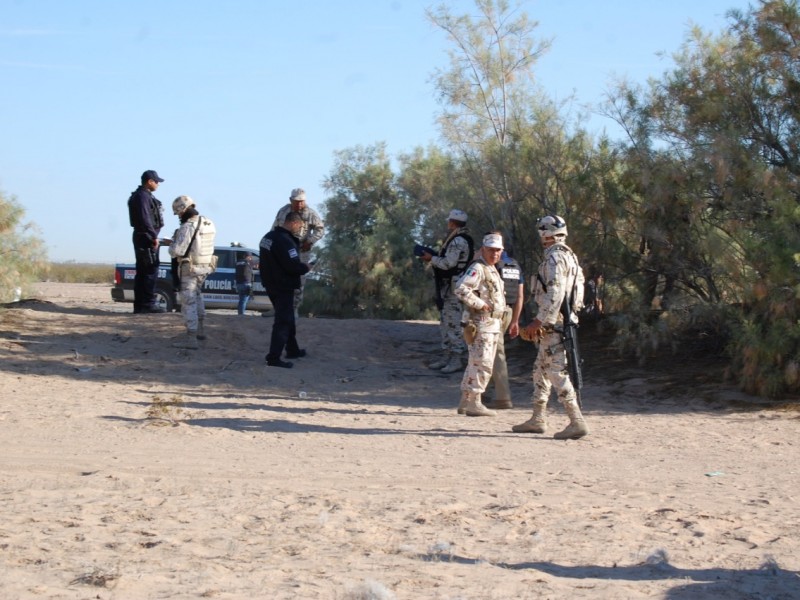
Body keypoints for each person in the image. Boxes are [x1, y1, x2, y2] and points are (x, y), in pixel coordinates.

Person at [513, 215, 589, 439]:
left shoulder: (555, 258)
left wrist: (540, 320)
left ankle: (576, 420)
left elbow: (555, 293)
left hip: (554, 324)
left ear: (545, 233)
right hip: (561, 322)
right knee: (540, 370)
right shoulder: (570, 257)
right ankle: (538, 417)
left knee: (556, 371)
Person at [453, 232, 507, 417]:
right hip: (482, 323)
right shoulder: (478, 268)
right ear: (483, 249)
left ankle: (465, 400)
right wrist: (480, 304)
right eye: (491, 250)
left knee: (476, 362)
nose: (495, 254)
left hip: (492, 323)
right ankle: (475, 402)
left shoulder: (492, 269)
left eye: (498, 250)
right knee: (482, 363)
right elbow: (461, 289)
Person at [420, 209, 474, 374]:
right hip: (449, 287)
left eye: (449, 221)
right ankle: (447, 356)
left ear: (452, 222)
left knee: (453, 323)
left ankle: (456, 359)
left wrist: (432, 259)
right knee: (446, 322)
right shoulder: (459, 238)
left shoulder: (458, 241)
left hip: (455, 288)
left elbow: (449, 263)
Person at [260, 211, 310, 368]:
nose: (300, 230)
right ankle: (273, 357)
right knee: (283, 321)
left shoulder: (268, 237)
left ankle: (292, 349)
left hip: (271, 284)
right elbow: (292, 266)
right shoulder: (285, 241)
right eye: (300, 226)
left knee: (288, 318)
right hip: (283, 285)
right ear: (293, 223)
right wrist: (306, 267)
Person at [167, 196, 217, 350]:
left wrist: (172, 243)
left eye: (178, 213)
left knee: (188, 302)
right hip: (205, 267)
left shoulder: (188, 226)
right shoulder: (208, 222)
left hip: (189, 269)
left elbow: (176, 251)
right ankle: (201, 331)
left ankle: (191, 339)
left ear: (182, 210)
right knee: (198, 296)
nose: (179, 216)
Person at [272, 188, 324, 313]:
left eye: (302, 201)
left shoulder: (311, 214)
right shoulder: (283, 211)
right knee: (279, 277)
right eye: (297, 201)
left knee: (298, 279)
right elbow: (274, 228)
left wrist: (310, 241)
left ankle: (294, 308)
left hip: (301, 250)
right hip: (283, 249)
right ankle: (278, 307)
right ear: (291, 200)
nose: (299, 204)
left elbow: (320, 229)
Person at [484, 244, 524, 409]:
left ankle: (502, 397)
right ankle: (485, 391)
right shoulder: (514, 265)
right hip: (509, 312)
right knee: (491, 350)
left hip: (494, 313)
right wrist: (515, 320)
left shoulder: (491, 265)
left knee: (495, 352)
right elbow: (520, 295)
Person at [128, 169, 167, 314]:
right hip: (145, 237)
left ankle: (140, 304)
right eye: (156, 181)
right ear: (149, 181)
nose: (158, 184)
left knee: (144, 271)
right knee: (150, 270)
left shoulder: (141, 196)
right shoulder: (142, 197)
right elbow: (145, 219)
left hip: (143, 235)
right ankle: (147, 304)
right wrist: (153, 236)